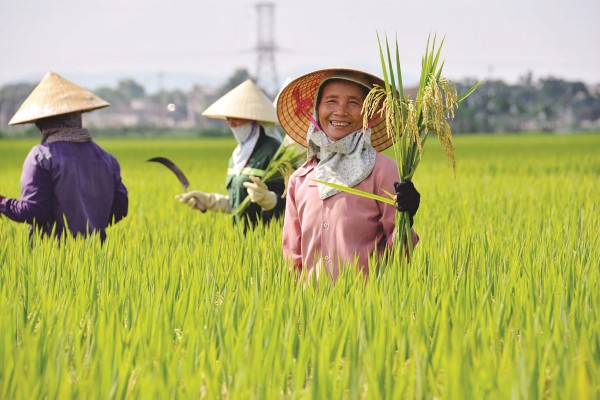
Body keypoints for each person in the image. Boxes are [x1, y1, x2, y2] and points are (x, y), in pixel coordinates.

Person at [276, 67, 421, 280]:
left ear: (368, 113)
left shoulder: (382, 171)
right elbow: (293, 259)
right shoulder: (300, 179)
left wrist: (406, 219)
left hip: (366, 299)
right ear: (316, 109)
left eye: (353, 103)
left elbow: (400, 253)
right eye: (331, 101)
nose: (341, 111)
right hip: (311, 300)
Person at [0, 71, 128, 242]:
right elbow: (120, 208)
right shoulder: (108, 159)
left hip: (51, 254)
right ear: (77, 117)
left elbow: (33, 211)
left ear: (41, 122)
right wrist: (90, 226)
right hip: (98, 254)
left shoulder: (41, 156)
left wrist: (3, 203)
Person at [176, 79, 286, 228]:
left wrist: (270, 200)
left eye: (236, 118)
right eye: (228, 118)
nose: (231, 124)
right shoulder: (237, 156)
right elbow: (237, 202)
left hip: (267, 235)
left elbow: (292, 200)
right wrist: (210, 201)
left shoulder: (273, 150)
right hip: (240, 236)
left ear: (254, 118)